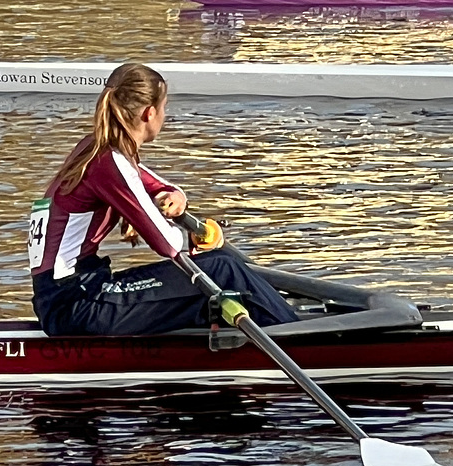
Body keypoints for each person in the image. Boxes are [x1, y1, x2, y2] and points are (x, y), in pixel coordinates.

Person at [28, 63, 299, 336]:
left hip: (68, 294)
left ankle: (279, 324)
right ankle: (301, 338)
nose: (165, 116)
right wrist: (195, 238)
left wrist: (175, 194)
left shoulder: (93, 147)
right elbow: (166, 243)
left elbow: (154, 183)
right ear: (150, 113)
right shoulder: (109, 161)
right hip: (76, 303)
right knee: (222, 267)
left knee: (221, 274)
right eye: (165, 107)